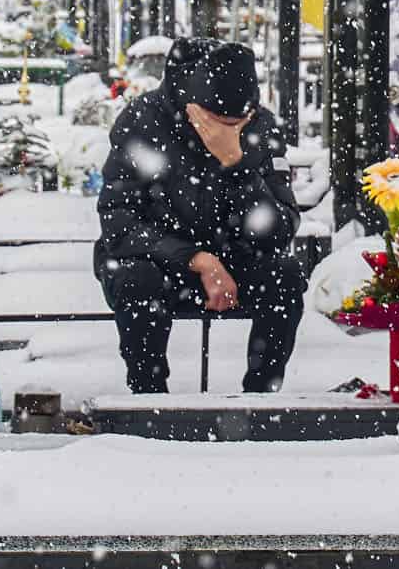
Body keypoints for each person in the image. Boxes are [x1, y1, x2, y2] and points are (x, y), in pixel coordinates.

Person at [94, 37, 305, 393]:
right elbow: (119, 221)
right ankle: (148, 398)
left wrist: (236, 164)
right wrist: (196, 260)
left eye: (240, 121)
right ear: (193, 107)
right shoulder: (143, 121)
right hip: (158, 260)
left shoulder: (259, 127)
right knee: (136, 280)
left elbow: (280, 227)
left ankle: (261, 397)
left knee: (285, 274)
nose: (230, 129)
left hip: (237, 258)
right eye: (219, 121)